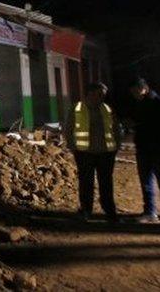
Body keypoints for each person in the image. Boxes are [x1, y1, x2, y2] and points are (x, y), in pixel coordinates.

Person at [126, 78, 160, 228]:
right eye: (132, 92)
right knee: (146, 182)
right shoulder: (139, 104)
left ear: (145, 88)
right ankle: (150, 212)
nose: (134, 93)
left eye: (136, 90)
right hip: (143, 149)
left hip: (159, 150)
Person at [64, 82, 120, 224]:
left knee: (106, 183)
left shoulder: (107, 109)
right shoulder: (77, 108)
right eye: (100, 94)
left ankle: (110, 211)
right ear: (90, 93)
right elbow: (68, 129)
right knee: (86, 183)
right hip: (84, 153)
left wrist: (116, 147)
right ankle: (86, 210)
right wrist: (73, 147)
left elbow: (115, 129)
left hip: (105, 153)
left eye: (103, 95)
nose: (102, 97)